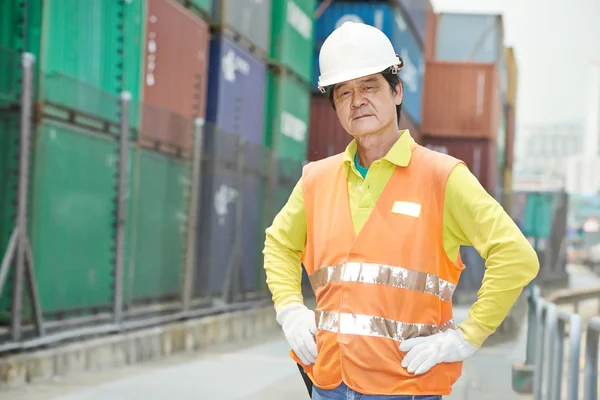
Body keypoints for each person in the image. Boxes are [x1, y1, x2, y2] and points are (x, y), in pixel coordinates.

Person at [263, 21, 539, 399]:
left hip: (405, 387)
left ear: (397, 91)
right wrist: (290, 310)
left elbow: (517, 257)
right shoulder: (316, 179)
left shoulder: (442, 177)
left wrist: (465, 338)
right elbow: (279, 245)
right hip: (329, 383)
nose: (357, 100)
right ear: (336, 106)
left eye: (370, 87)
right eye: (344, 93)